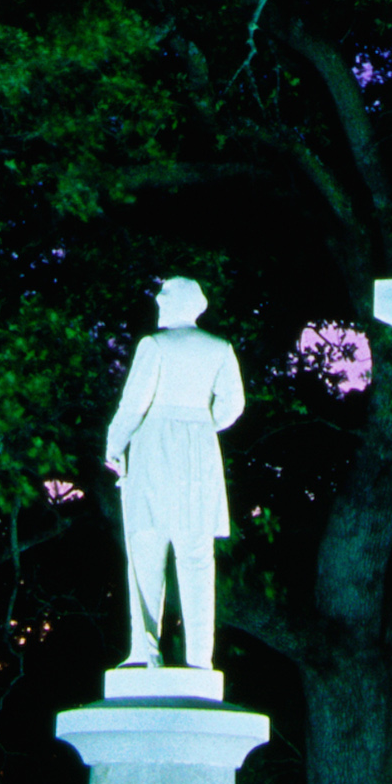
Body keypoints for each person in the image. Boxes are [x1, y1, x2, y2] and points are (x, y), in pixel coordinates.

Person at [105, 278, 244, 672]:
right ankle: (200, 658)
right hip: (199, 452)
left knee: (149, 547)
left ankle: (144, 648)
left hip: (155, 448)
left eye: (164, 295)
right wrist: (201, 423)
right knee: (196, 556)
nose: (158, 301)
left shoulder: (155, 346)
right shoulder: (220, 349)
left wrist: (114, 442)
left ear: (180, 303)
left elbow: (134, 404)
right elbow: (233, 405)